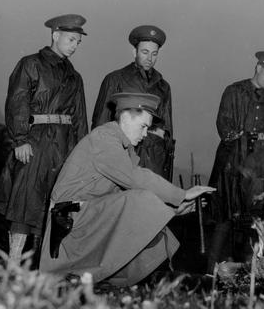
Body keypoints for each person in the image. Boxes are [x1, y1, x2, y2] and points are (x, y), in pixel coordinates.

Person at [39, 92, 215, 286]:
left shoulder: (123, 149)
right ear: (125, 118)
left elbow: (120, 194)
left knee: (151, 217)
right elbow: (134, 178)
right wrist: (181, 194)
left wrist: (173, 210)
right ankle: (149, 281)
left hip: (84, 219)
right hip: (69, 225)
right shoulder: (103, 138)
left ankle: (153, 279)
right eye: (143, 126)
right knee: (140, 200)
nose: (145, 134)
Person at [0, 14, 88, 263]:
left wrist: (81, 157)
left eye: (78, 41)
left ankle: (41, 266)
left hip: (64, 148)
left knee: (55, 206)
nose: (74, 45)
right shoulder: (31, 64)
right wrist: (20, 139)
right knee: (25, 203)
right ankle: (14, 265)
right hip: (34, 143)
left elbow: (80, 119)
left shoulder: (74, 77)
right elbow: (17, 101)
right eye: (71, 39)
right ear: (55, 35)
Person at [207, 51, 264, 270]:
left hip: (259, 168)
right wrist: (239, 139)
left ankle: (248, 275)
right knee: (224, 219)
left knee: (254, 222)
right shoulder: (234, 91)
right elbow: (224, 125)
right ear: (258, 67)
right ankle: (211, 273)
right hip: (232, 164)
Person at [92, 25, 174, 180]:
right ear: (134, 52)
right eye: (145, 52)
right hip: (124, 155)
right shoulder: (115, 79)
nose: (150, 58)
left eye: (154, 54)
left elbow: (167, 130)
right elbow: (100, 124)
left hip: (154, 159)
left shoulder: (164, 86)